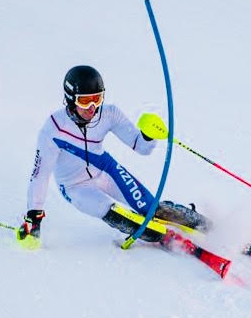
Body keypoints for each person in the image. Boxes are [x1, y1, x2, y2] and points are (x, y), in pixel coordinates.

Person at [19, 65, 211, 245]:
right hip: (74, 187)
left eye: (97, 98)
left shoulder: (109, 114)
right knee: (119, 216)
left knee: (152, 208)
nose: (92, 107)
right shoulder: (53, 129)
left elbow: (141, 147)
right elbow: (40, 175)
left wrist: (148, 135)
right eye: (85, 101)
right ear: (70, 99)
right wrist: (34, 215)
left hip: (106, 170)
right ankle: (159, 235)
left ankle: (207, 226)